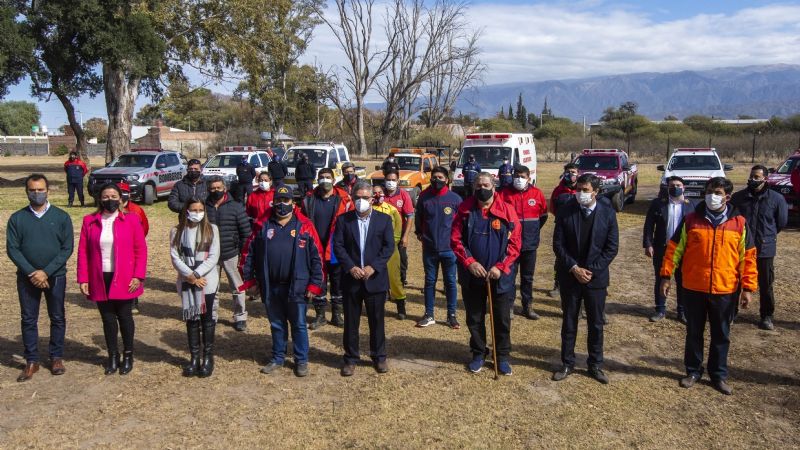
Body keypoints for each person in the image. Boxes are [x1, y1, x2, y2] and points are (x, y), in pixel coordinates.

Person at [660, 177, 758, 395]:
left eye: (717, 192)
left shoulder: (739, 223)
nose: (712, 196)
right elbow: (673, 249)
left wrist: (748, 288)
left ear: (727, 197)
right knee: (694, 332)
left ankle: (718, 375)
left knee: (721, 334)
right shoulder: (691, 220)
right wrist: (666, 276)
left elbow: (748, 258)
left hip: (725, 290)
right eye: (710, 191)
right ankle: (693, 370)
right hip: (694, 287)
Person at [240, 186, 325, 377]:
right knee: (276, 323)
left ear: (293, 204)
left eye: (285, 201)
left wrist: (315, 284)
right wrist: (250, 280)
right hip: (271, 286)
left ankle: (301, 360)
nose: (281, 204)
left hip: (298, 286)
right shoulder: (263, 225)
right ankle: (278, 357)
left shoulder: (304, 225)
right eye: (278, 200)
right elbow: (248, 253)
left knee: (299, 324)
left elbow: (317, 257)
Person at [451, 173, 521, 375]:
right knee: (474, 317)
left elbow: (515, 243)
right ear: (474, 187)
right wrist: (469, 262)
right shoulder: (464, 210)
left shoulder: (507, 211)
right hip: (472, 275)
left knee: (501, 318)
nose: (483, 188)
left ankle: (502, 356)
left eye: (486, 184)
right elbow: (456, 240)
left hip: (500, 275)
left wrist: (501, 266)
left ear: (494, 186)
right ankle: (478, 352)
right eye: (479, 185)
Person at [552, 173, 619, 384]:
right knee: (569, 322)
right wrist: (574, 268)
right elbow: (558, 244)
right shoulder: (566, 211)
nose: (580, 193)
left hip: (595, 279)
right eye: (578, 189)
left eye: (585, 190)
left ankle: (595, 364)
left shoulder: (608, 212)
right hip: (571, 276)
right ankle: (567, 363)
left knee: (596, 323)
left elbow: (611, 247)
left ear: (596, 192)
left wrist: (590, 270)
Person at [7, 174, 74, 382]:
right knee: (28, 319)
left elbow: (67, 248)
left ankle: (56, 357)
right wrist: (32, 272)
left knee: (57, 317)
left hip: (55, 276)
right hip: (27, 278)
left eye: (41, 189)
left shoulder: (61, 216)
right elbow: (13, 249)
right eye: (33, 190)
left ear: (48, 190)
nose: (37, 193)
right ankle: (32, 360)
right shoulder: (17, 218)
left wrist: (47, 271)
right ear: (26, 191)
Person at [77, 183, 147, 375]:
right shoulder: (89, 220)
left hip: (124, 277)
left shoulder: (131, 220)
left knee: (125, 317)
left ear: (120, 198)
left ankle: (128, 354)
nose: (110, 200)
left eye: (113, 196)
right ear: (99, 199)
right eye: (106, 196)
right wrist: (83, 278)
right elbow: (83, 251)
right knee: (107, 319)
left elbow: (140, 250)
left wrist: (138, 276)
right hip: (99, 276)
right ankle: (112, 356)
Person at [333, 180, 395, 377]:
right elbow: (339, 247)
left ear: (372, 198)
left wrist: (373, 267)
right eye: (357, 198)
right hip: (352, 279)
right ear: (352, 198)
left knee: (377, 321)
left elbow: (388, 247)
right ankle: (351, 358)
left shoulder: (384, 220)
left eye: (365, 198)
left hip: (374, 279)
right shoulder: (344, 220)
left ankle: (379, 356)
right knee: (351, 322)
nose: (361, 201)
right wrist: (350, 267)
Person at [730, 165, 788, 330]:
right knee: (735, 281)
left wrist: (767, 235)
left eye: (757, 177)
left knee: (766, 283)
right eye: (751, 176)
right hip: (740, 249)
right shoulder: (738, 198)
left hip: (764, 249)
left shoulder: (776, 199)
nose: (753, 179)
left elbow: (781, 222)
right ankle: (731, 313)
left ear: (765, 178)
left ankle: (766, 316)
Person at [170, 198, 220, 377]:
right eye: (194, 209)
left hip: (207, 282)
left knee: (207, 320)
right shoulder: (176, 231)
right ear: (187, 211)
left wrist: (197, 275)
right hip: (187, 282)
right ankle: (194, 358)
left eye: (200, 210)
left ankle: (208, 358)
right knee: (191, 320)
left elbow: (213, 256)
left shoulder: (212, 229)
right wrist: (189, 277)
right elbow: (175, 256)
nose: (197, 213)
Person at [302, 168, 354, 329]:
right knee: (319, 281)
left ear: (333, 179)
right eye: (321, 177)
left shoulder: (343, 199)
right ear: (317, 179)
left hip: (336, 249)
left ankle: (337, 315)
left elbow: (351, 222)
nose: (325, 180)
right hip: (316, 248)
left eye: (327, 177)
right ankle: (320, 316)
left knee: (338, 283)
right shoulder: (309, 199)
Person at [414, 166, 462, 329]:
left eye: (440, 177)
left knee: (450, 282)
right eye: (434, 177)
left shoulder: (455, 199)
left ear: (447, 180)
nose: (437, 180)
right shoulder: (424, 197)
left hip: (449, 250)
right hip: (430, 249)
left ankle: (451, 315)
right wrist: (420, 234)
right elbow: (419, 217)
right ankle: (429, 315)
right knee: (429, 281)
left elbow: (460, 224)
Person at [642, 176, 695, 323]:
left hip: (684, 250)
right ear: (667, 187)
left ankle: (682, 311)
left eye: (678, 185)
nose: (675, 187)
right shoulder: (658, 204)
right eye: (672, 185)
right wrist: (648, 244)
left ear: (683, 187)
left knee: (683, 281)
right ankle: (660, 309)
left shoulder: (692, 206)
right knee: (661, 279)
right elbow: (649, 225)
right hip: (662, 248)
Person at [498, 165, 548, 320]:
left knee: (527, 277)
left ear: (529, 177)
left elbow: (543, 216)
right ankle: (510, 306)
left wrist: (532, 232)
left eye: (523, 176)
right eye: (517, 175)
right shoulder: (503, 193)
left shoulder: (537, 194)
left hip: (530, 244)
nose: (519, 179)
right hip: (510, 245)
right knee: (510, 276)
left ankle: (528, 306)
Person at [205, 176, 252, 331]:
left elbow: (246, 233)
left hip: (230, 252)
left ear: (224, 188)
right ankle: (211, 316)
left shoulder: (236, 207)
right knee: (212, 288)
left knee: (237, 288)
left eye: (218, 187)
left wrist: (242, 253)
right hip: (210, 255)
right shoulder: (204, 207)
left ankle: (240, 316)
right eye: (213, 188)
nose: (216, 190)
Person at [371, 184, 405, 318]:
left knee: (394, 278)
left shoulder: (392, 210)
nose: (377, 195)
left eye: (380, 192)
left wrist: (391, 244)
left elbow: (398, 229)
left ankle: (401, 307)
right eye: (374, 193)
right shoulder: (367, 210)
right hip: (373, 251)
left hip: (390, 250)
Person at [383, 169, 414, 306]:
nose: (390, 182)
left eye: (393, 180)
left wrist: (406, 236)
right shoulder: (379, 194)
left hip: (398, 237)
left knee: (401, 262)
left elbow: (410, 216)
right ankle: (384, 290)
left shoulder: (403, 195)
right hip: (381, 237)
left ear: (398, 181)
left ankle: (399, 289)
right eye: (388, 180)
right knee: (383, 263)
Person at [548, 162, 579, 298]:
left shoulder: (582, 189)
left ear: (578, 174)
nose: (570, 174)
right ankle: (557, 285)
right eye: (568, 172)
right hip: (562, 228)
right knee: (560, 258)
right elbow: (553, 208)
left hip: (579, 228)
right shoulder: (558, 190)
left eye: (573, 172)